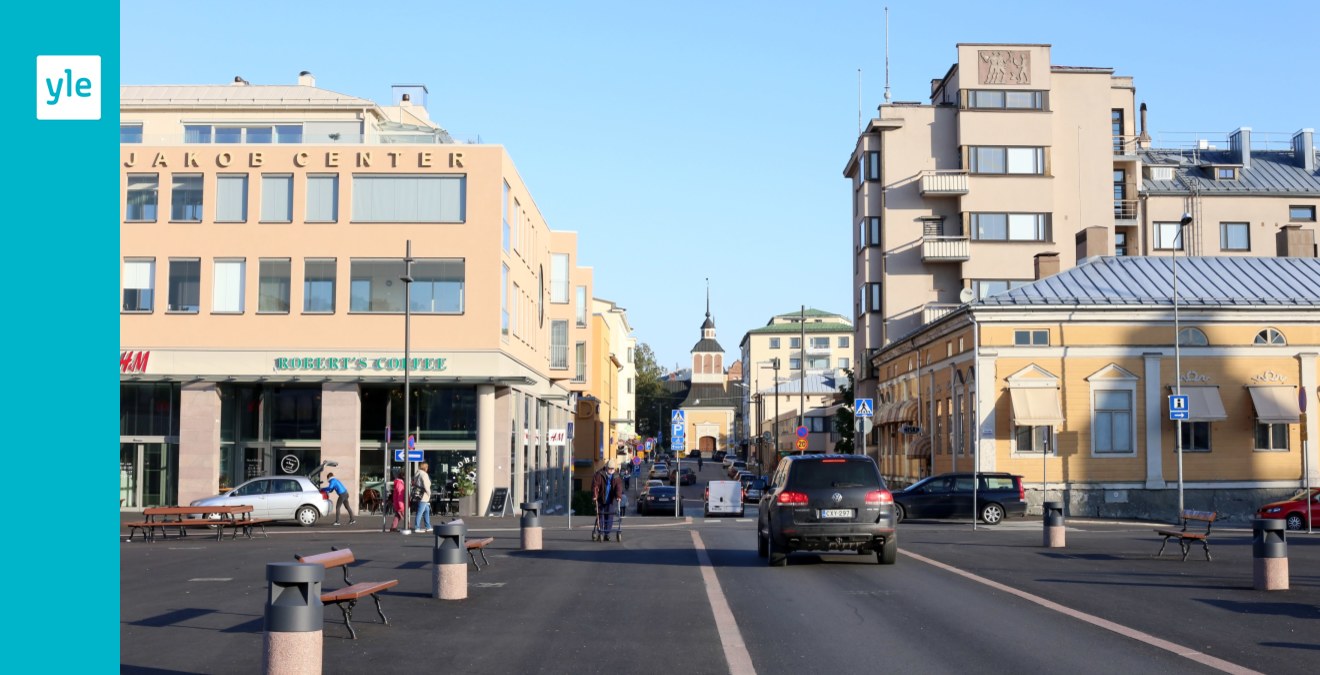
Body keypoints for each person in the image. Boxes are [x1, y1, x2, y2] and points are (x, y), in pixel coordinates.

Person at [591, 462, 624, 540]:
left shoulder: (616, 476)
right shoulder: (599, 475)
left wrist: (618, 496)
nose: (611, 470)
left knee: (609, 516)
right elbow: (595, 485)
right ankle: (601, 532)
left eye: (613, 469)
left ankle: (607, 533)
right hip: (601, 499)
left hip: (610, 500)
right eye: (610, 468)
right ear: (606, 468)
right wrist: (595, 495)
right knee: (601, 515)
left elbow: (618, 487)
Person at [413, 462, 433, 533]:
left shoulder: (417, 474)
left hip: (418, 494)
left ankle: (428, 526)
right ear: (425, 467)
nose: (427, 469)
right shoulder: (424, 474)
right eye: (427, 467)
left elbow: (415, 483)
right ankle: (417, 527)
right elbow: (426, 485)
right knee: (420, 511)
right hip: (424, 495)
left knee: (426, 510)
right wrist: (429, 493)